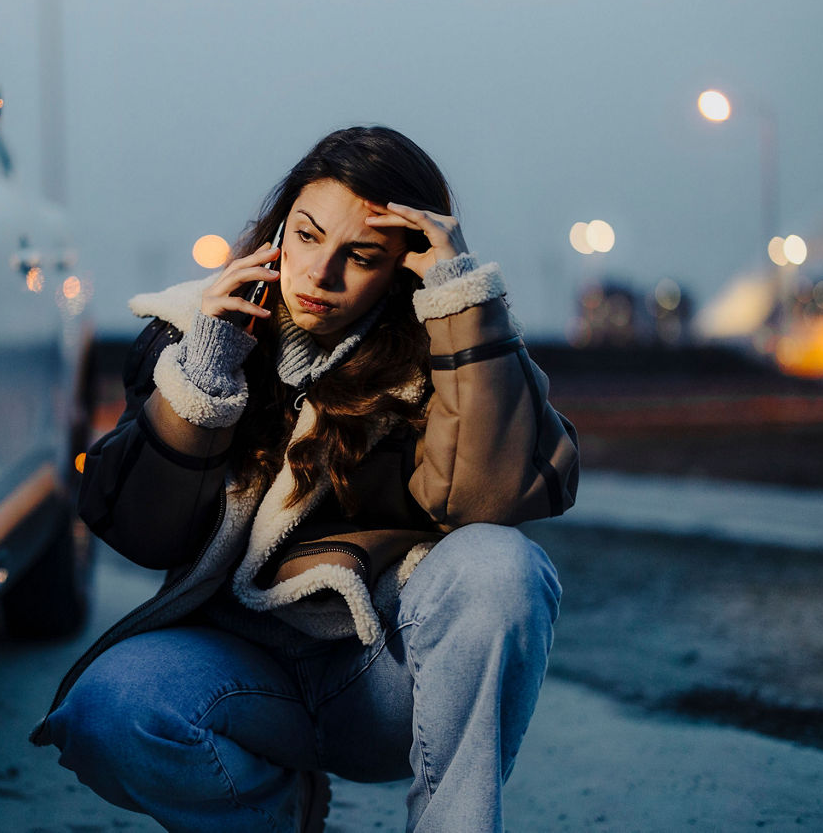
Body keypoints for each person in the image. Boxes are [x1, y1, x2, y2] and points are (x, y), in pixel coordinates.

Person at [31, 126, 580, 832]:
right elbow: (143, 532)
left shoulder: (449, 349)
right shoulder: (197, 333)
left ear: (405, 268)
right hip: (236, 672)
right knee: (108, 713)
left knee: (502, 565)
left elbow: (486, 499)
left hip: (385, 684)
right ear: (279, 227)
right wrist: (206, 375)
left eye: (360, 256)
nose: (318, 275)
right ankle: (280, 815)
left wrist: (460, 300)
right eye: (307, 235)